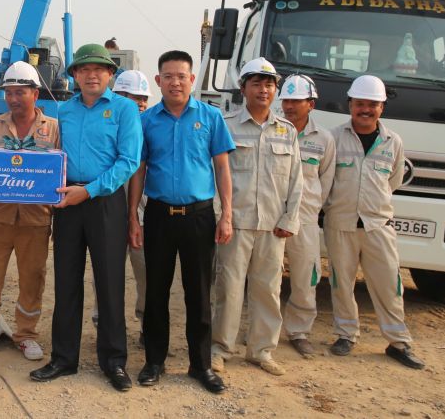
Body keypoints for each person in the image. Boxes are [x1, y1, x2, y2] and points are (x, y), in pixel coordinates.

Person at [30, 44, 142, 392]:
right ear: (75, 75)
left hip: (105, 201)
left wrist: (90, 190)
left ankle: (114, 361)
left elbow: (129, 161)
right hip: (67, 201)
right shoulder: (64, 110)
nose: (92, 75)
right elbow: (53, 154)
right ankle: (64, 358)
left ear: (110, 75)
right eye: (84, 69)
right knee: (66, 281)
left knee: (109, 282)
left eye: (99, 69)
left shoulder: (124, 109)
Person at [128, 51, 234, 394]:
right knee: (156, 292)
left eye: (182, 76)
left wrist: (226, 214)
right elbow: (139, 170)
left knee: (199, 294)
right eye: (169, 76)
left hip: (199, 217)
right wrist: (133, 217)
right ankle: (154, 361)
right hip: (159, 215)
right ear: (158, 81)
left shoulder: (211, 117)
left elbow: (222, 167)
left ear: (191, 80)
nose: (175, 82)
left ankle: (201, 365)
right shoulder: (147, 121)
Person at [323, 75, 425, 369]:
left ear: (382, 107)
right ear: (350, 105)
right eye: (360, 104)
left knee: (389, 285)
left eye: (372, 104)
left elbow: (393, 181)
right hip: (340, 224)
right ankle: (345, 334)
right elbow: (326, 179)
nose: (365, 110)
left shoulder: (393, 142)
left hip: (378, 226)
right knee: (341, 283)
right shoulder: (333, 139)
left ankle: (398, 342)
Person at [0, 61, 60, 362]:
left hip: (36, 220)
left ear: (35, 93)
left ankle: (26, 334)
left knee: (33, 278)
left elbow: (59, 174)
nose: (13, 98)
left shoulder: (52, 128)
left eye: (20, 92)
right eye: (9, 93)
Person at [211, 57, 303, 377]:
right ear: (243, 88)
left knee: (268, 290)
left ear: (276, 90)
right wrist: (221, 216)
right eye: (257, 84)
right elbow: (215, 175)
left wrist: (290, 219)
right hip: (235, 224)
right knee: (229, 289)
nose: (264, 90)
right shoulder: (226, 125)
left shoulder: (286, 131)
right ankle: (220, 349)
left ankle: (261, 350)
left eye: (269, 85)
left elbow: (296, 180)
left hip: (272, 227)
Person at [278, 75, 335, 357]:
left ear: (310, 104)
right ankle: (262, 331)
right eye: (286, 100)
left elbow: (326, 180)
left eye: (296, 101)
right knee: (266, 277)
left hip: (305, 219)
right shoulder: (273, 130)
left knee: (305, 276)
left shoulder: (324, 139)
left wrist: (309, 209)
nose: (289, 106)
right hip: (273, 217)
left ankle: (299, 331)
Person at [90, 70, 150, 337]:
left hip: (144, 214)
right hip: (109, 211)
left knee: (146, 272)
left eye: (143, 98)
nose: (140, 103)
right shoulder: (104, 126)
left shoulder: (152, 127)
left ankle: (146, 323)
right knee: (105, 272)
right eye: (133, 97)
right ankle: (103, 321)